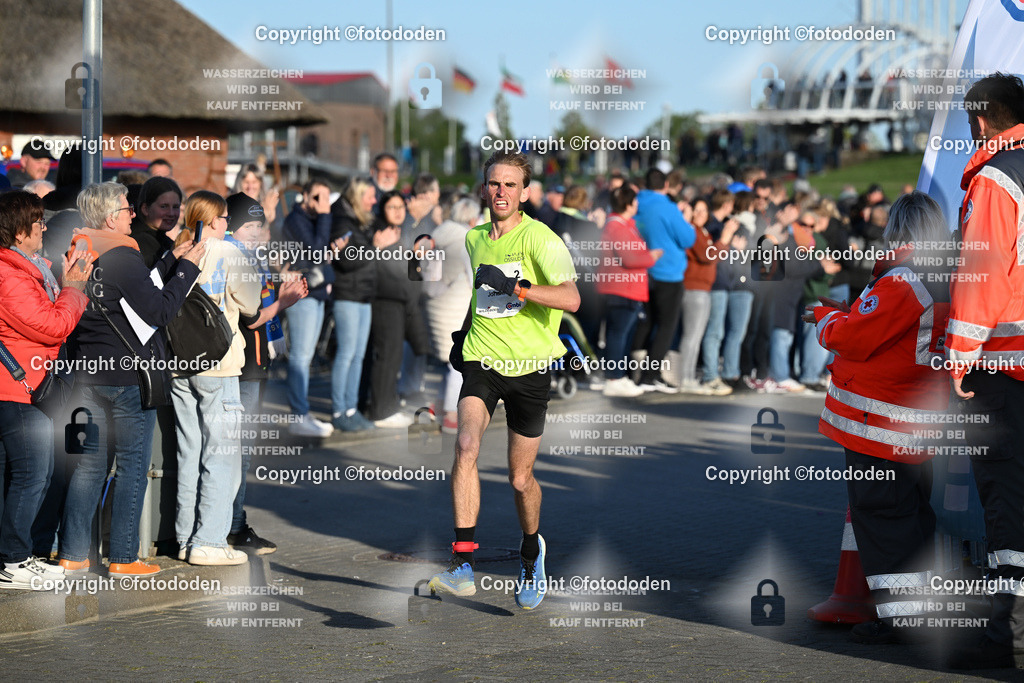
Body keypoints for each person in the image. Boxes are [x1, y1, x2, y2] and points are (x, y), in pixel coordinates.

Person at [428, 151, 579, 610]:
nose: (500, 192)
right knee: (466, 445)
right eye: (494, 184)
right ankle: (462, 564)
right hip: (483, 361)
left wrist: (520, 289)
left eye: (510, 185)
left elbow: (571, 299)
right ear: (483, 188)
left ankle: (532, 553)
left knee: (519, 479)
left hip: (530, 369)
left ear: (525, 193)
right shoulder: (475, 239)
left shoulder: (541, 238)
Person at [806, 191, 951, 645]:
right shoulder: (947, 275)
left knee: (884, 520)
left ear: (898, 228)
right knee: (912, 518)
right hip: (917, 419)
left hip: (879, 425)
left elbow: (856, 337)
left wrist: (826, 316)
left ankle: (902, 621)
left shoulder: (905, 279)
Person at [59, 182, 205, 576]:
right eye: (125, 209)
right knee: (132, 467)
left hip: (86, 374)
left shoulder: (78, 250)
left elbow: (122, 298)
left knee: (88, 468)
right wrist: (188, 269)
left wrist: (169, 261)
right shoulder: (123, 256)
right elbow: (158, 311)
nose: (131, 214)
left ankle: (72, 553)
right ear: (111, 217)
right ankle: (123, 557)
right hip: (125, 378)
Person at [944, 73, 1024, 670]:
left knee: (1006, 495)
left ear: (979, 120)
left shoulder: (997, 178)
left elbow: (983, 275)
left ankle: (1011, 633)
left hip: (1005, 362)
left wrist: (960, 356)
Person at [0, 190, 92, 589]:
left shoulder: (26, 268)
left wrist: (66, 283)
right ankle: (14, 561)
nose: (43, 226)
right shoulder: (10, 276)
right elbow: (52, 326)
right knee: (32, 475)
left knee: (22, 474)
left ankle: (14, 556)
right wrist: (74, 288)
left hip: (26, 385)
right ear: (19, 232)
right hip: (20, 389)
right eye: (37, 221)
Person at [171, 191, 260, 566]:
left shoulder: (173, 252)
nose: (228, 225)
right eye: (224, 218)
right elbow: (252, 304)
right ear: (210, 221)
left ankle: (185, 537)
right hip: (218, 364)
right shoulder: (228, 253)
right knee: (221, 456)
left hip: (176, 365)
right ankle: (209, 541)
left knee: (188, 453)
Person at [224, 192, 308, 554]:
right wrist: (284, 301)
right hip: (241, 366)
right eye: (251, 226)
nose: (258, 233)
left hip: (253, 364)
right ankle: (231, 528)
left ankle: (232, 524)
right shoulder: (234, 256)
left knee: (239, 451)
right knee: (236, 451)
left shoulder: (250, 257)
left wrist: (278, 285)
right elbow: (254, 315)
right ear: (235, 227)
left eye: (261, 225)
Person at [361, 191, 432, 427]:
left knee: (394, 357)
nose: (398, 211)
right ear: (382, 210)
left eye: (401, 206)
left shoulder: (402, 233)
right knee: (386, 357)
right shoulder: (380, 233)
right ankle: (381, 411)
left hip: (402, 303)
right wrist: (378, 248)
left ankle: (386, 403)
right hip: (385, 301)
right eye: (392, 207)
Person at [632, 168, 696, 392]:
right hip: (668, 273)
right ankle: (650, 376)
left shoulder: (636, 203)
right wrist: (686, 220)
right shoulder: (667, 207)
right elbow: (687, 238)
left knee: (646, 323)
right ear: (666, 185)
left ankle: (634, 372)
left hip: (642, 270)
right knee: (666, 327)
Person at [281, 178, 335, 437]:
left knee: (307, 355)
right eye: (316, 197)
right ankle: (298, 415)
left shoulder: (315, 219)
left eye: (324, 198)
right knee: (300, 356)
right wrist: (324, 216)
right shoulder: (295, 220)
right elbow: (315, 253)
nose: (321, 203)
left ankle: (303, 412)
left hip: (315, 292)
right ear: (304, 196)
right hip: (300, 293)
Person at [596, 185, 659, 398]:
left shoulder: (623, 225)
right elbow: (629, 258)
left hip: (628, 289)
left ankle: (619, 376)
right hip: (620, 289)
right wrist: (652, 257)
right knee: (617, 335)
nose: (637, 204)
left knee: (622, 336)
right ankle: (613, 378)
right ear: (628, 204)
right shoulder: (617, 227)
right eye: (634, 201)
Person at [423, 197, 478, 432]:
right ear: (472, 219)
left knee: (446, 362)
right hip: (454, 309)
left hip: (434, 306)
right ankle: (450, 415)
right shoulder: (465, 240)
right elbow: (475, 277)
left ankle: (435, 406)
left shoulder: (439, 233)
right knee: (459, 362)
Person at [329, 178, 379, 431]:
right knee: (347, 355)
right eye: (369, 196)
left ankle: (351, 409)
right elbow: (346, 261)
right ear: (357, 197)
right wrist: (375, 248)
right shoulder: (341, 222)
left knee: (358, 356)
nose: (374, 201)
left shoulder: (361, 222)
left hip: (363, 295)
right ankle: (339, 411)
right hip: (347, 294)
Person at [130, 176, 182, 268]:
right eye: (164, 206)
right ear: (145, 209)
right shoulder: (140, 243)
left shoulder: (164, 241)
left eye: (175, 207)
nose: (171, 213)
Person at [235, 163, 281, 229]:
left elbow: (279, 235)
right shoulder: (231, 207)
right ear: (239, 183)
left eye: (254, 182)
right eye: (246, 182)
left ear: (260, 184)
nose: (250, 187)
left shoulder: (270, 204)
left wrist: (272, 219)